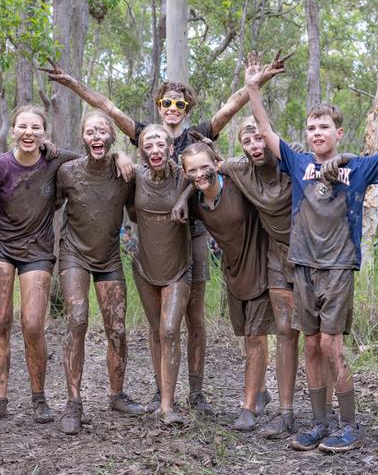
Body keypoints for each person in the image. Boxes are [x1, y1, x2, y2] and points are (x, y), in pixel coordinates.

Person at [40, 53, 288, 412]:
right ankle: (162, 390)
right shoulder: (143, 136)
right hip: (156, 239)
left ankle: (197, 392)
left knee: (195, 317)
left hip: (196, 233)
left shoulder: (198, 134)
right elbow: (107, 108)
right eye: (167, 102)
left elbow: (233, 106)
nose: (173, 108)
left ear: (186, 108)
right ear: (159, 107)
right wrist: (74, 84)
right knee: (161, 324)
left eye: (179, 103)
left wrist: (259, 79)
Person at [245, 53, 378, 452]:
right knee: (310, 344)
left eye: (323, 127)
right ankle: (319, 424)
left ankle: (350, 424)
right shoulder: (297, 162)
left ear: (339, 132)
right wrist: (253, 88)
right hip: (303, 266)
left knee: (331, 346)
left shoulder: (359, 167)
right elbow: (264, 128)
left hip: (338, 266)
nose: (316, 133)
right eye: (311, 128)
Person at [0, 106, 133, 424]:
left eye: (36, 127)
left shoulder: (58, 161)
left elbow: (92, 157)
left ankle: (39, 400)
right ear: (14, 131)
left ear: (45, 134)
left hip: (38, 248)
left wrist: (120, 155)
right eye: (23, 126)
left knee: (33, 324)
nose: (29, 132)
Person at [215, 117, 334, 438]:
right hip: (276, 256)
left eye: (259, 139)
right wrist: (183, 202)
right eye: (247, 141)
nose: (255, 146)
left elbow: (328, 163)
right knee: (284, 331)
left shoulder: (293, 156)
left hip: (310, 255)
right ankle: (285, 412)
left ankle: (325, 410)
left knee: (316, 334)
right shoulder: (240, 169)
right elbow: (203, 169)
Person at [176, 141, 274, 431]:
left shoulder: (237, 183)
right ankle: (261, 391)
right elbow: (193, 188)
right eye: (191, 170)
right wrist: (183, 198)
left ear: (216, 163)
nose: (199, 174)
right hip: (233, 271)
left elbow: (261, 173)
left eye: (205, 166)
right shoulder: (196, 202)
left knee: (257, 337)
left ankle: (247, 408)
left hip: (261, 265)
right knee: (247, 337)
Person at [56, 110, 143, 435]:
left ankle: (117, 394)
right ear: (82, 137)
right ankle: (73, 402)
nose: (96, 136)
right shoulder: (67, 172)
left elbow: (137, 210)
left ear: (110, 137)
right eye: (90, 131)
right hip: (73, 255)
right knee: (77, 320)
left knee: (117, 327)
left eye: (102, 131)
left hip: (108, 257)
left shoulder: (124, 173)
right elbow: (46, 202)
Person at [128, 124, 192, 426]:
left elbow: (211, 171)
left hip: (178, 265)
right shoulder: (135, 176)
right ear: (142, 151)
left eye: (160, 145)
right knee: (156, 332)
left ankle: (168, 405)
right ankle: (161, 393)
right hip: (144, 264)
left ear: (170, 149)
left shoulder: (183, 174)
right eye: (148, 145)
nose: (154, 150)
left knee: (169, 330)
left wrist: (184, 197)